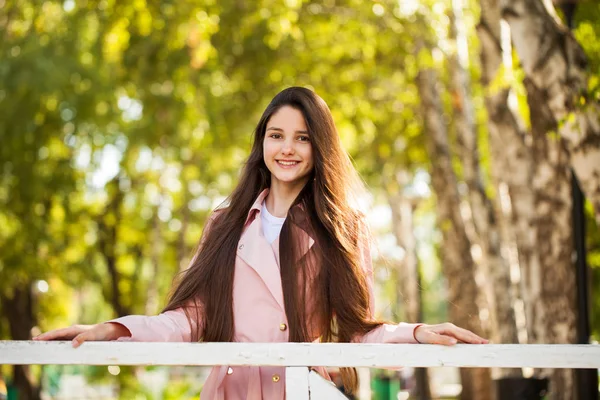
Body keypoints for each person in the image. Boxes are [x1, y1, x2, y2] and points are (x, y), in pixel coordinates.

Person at [35, 87, 488, 399]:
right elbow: (190, 319)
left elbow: (357, 331)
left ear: (319, 149)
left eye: (302, 138)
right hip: (230, 390)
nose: (287, 149)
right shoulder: (224, 223)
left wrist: (417, 334)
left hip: (300, 389)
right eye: (277, 136)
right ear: (262, 143)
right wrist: (115, 328)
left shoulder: (344, 228)